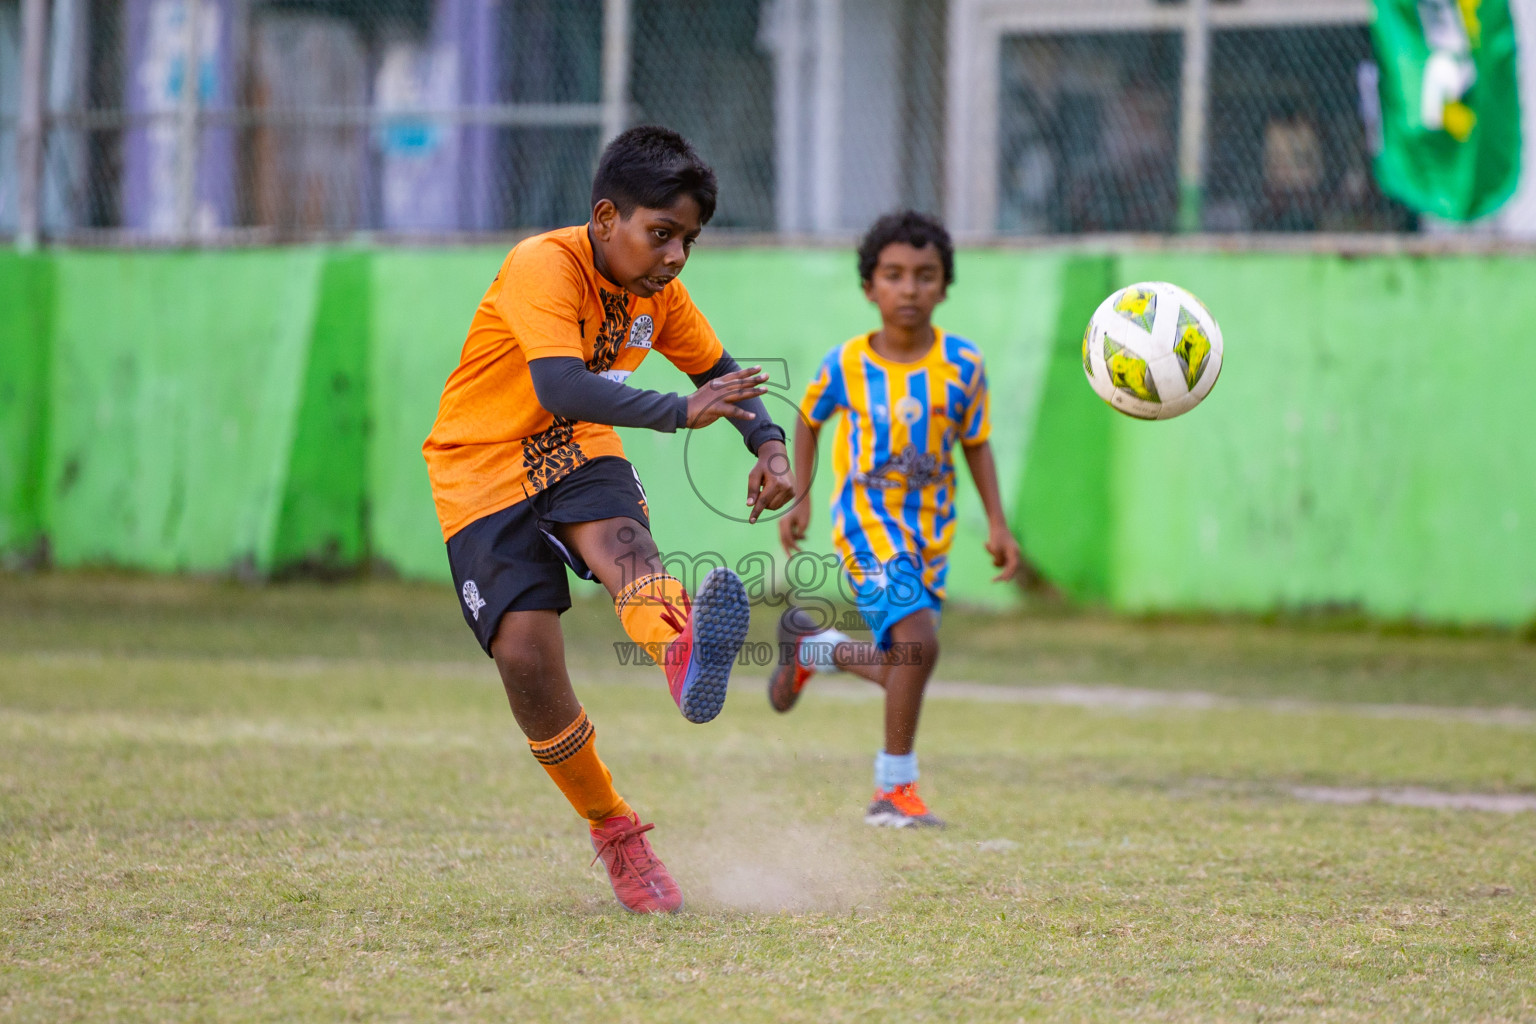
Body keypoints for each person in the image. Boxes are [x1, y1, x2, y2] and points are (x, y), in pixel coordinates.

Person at [423, 125, 794, 913]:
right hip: (479, 460)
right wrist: (677, 413)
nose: (676, 257)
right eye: (662, 235)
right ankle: (615, 829)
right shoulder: (543, 264)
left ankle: (681, 649)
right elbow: (559, 384)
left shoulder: (659, 294)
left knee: (622, 547)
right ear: (605, 219)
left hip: (575, 449)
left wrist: (767, 442)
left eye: (688, 240)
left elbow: (719, 374)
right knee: (525, 656)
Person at [771, 210, 1021, 828]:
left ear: (943, 286)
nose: (909, 288)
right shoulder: (846, 364)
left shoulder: (964, 365)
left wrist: (997, 522)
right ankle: (894, 792)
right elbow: (805, 420)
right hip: (868, 523)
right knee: (919, 643)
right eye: (894, 275)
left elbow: (976, 443)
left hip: (931, 532)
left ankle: (817, 650)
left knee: (912, 658)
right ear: (869, 287)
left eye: (925, 275)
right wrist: (800, 494)